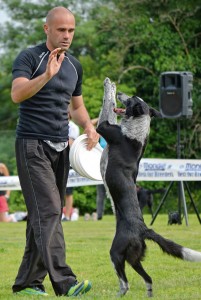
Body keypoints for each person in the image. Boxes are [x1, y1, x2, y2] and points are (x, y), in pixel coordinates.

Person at [11, 6, 99, 297]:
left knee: (43, 214)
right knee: (49, 211)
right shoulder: (29, 57)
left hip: (62, 148)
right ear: (46, 28)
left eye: (71, 30)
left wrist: (88, 126)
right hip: (32, 145)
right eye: (61, 30)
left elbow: (76, 107)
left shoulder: (74, 66)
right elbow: (17, 93)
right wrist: (47, 75)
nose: (67, 36)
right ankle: (66, 282)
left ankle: (27, 283)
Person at [63, 116, 80, 221]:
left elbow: (71, 144)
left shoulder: (73, 127)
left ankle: (67, 216)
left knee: (68, 192)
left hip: (68, 162)